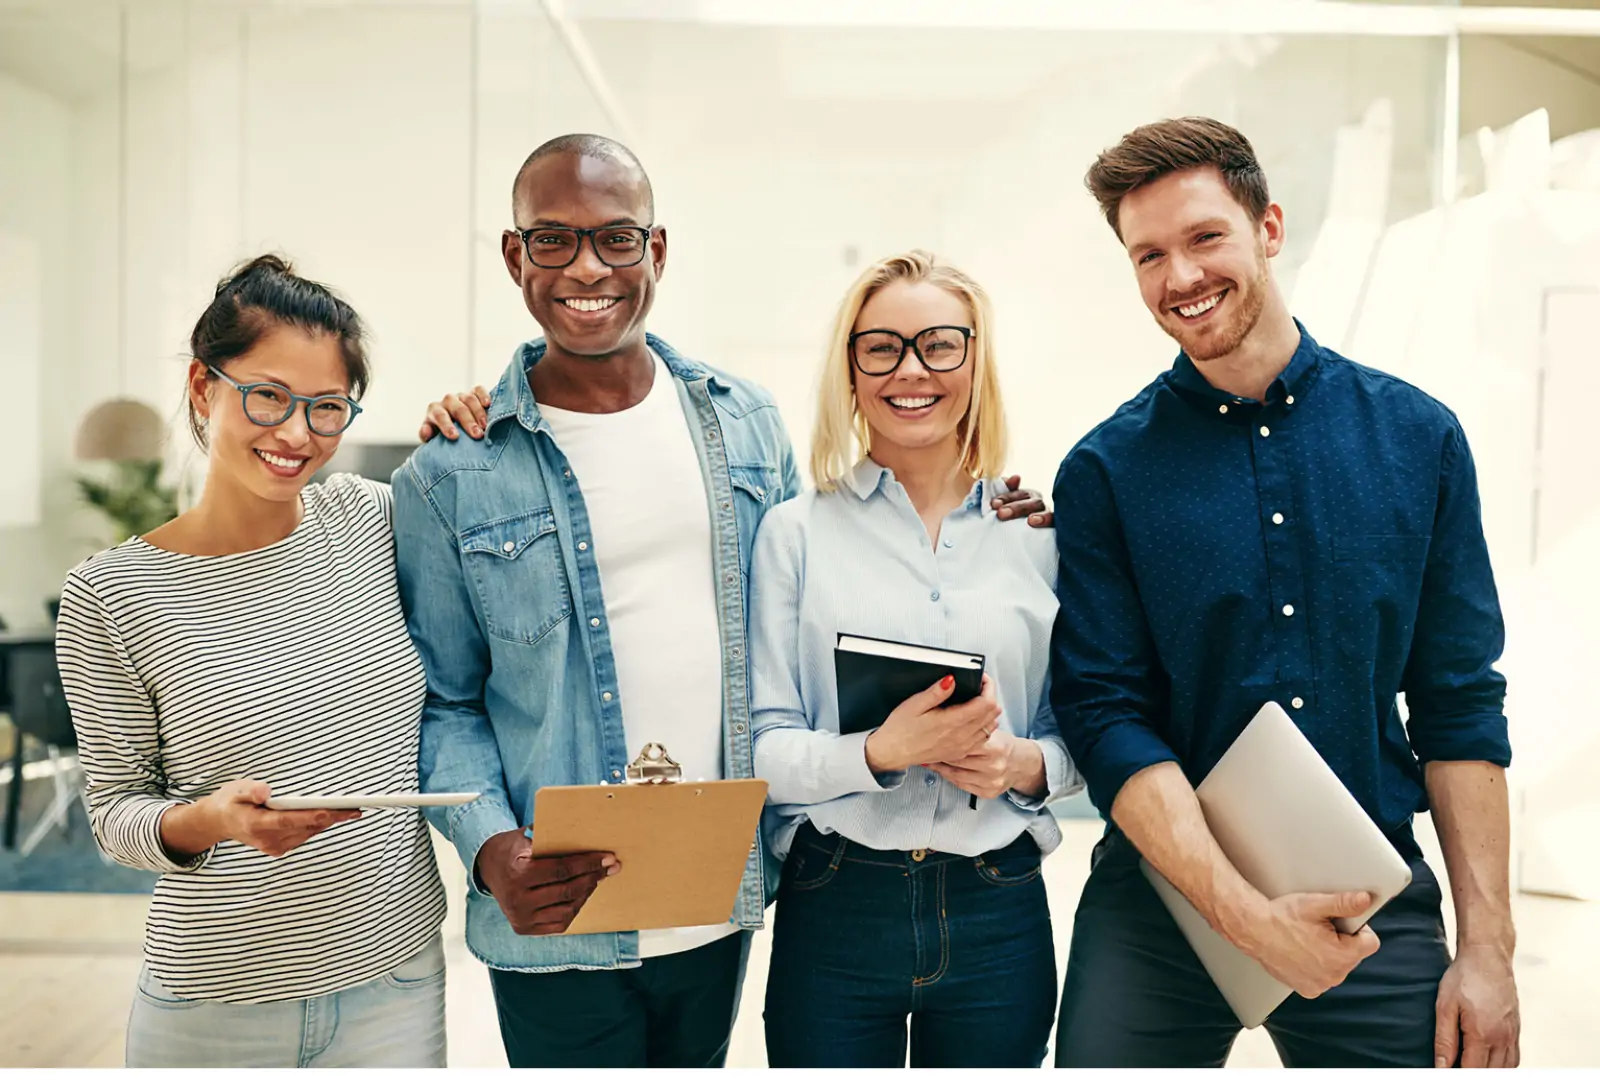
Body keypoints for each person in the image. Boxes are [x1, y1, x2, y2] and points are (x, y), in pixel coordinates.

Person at [398, 134, 1052, 1069]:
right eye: (553, 240)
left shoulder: (744, 423)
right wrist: (490, 848)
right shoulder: (452, 471)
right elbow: (445, 698)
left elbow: (809, 611)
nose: (588, 266)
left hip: (715, 898)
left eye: (617, 239)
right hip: (559, 905)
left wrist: (1001, 508)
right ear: (515, 256)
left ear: (656, 252)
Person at [1048, 117, 1521, 1068]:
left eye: (1204, 238)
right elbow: (1106, 714)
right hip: (1162, 902)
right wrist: (1247, 915)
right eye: (1149, 255)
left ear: (1268, 227)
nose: (1179, 277)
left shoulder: (1418, 439)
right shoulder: (1104, 471)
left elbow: (1459, 703)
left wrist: (1488, 950)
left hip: (1369, 894)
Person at [53, 255, 458, 1068]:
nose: (297, 433)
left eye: (327, 407)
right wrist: (212, 820)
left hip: (396, 983)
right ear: (204, 388)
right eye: (267, 395)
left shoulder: (373, 520)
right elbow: (115, 814)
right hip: (214, 1005)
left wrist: (475, 417)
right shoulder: (110, 595)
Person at [747, 250, 1081, 1068]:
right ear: (851, 369)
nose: (911, 370)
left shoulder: (1041, 537)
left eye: (939, 344)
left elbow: (1087, 735)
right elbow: (761, 746)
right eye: (881, 347)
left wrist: (1022, 765)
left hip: (996, 905)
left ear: (974, 359)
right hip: (837, 901)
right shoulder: (795, 534)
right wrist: (877, 753)